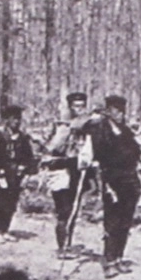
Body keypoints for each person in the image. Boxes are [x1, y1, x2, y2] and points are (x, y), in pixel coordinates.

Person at [80, 95, 141, 278]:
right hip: (111, 180)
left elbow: (138, 152)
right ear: (108, 111)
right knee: (112, 220)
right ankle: (109, 260)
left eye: (122, 111)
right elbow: (88, 152)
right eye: (116, 110)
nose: (120, 114)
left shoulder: (126, 131)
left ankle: (119, 258)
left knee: (126, 220)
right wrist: (86, 162)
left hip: (130, 179)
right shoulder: (98, 129)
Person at [43, 92, 94, 257]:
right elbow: (54, 148)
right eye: (76, 106)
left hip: (77, 172)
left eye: (82, 106)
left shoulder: (88, 126)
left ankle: (68, 243)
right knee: (63, 210)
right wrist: (68, 133)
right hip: (60, 171)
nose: (79, 109)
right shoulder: (62, 126)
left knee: (73, 209)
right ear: (70, 107)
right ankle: (61, 247)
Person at [0, 104, 38, 243]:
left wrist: (26, 170)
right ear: (7, 120)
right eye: (13, 118)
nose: (16, 121)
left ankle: (5, 229)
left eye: (18, 119)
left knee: (11, 203)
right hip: (1, 174)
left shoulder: (23, 138)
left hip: (16, 175)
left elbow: (29, 156)